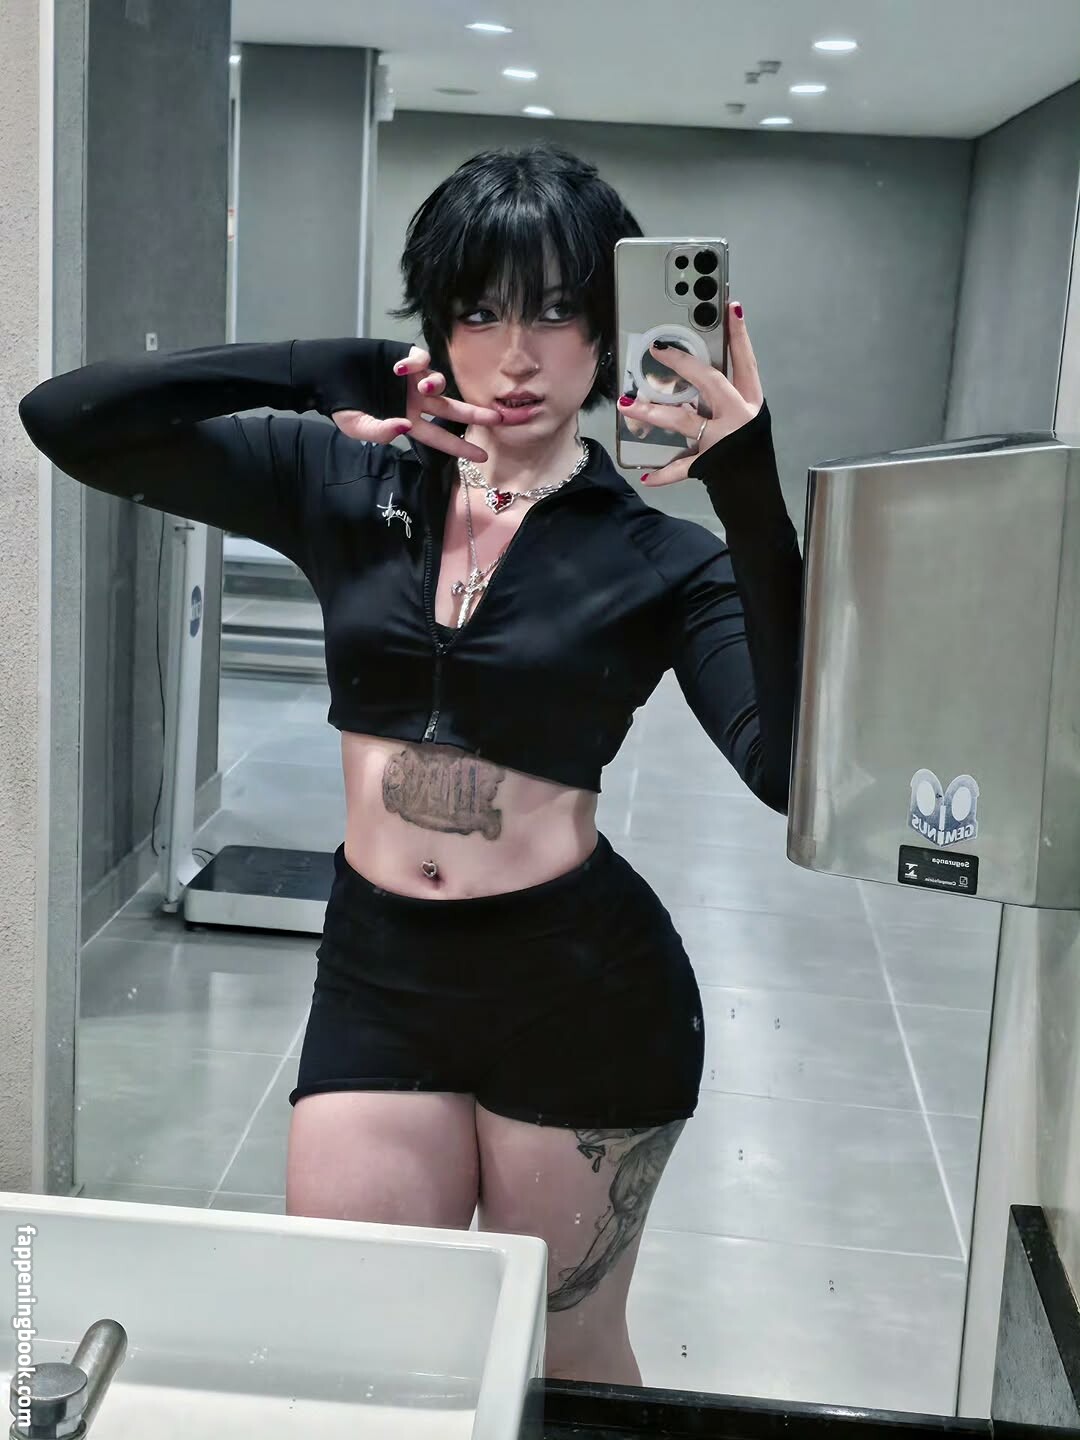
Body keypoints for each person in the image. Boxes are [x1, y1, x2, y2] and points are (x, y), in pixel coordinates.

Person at [19, 143, 803, 1386]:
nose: (518, 355)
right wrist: (309, 366)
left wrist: (749, 493)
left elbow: (785, 766)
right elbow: (67, 420)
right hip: (379, 974)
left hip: (581, 991)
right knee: (364, 1349)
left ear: (609, 332)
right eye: (480, 310)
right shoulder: (344, 482)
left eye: (557, 311)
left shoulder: (661, 559)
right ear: (436, 322)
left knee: (563, 1357)